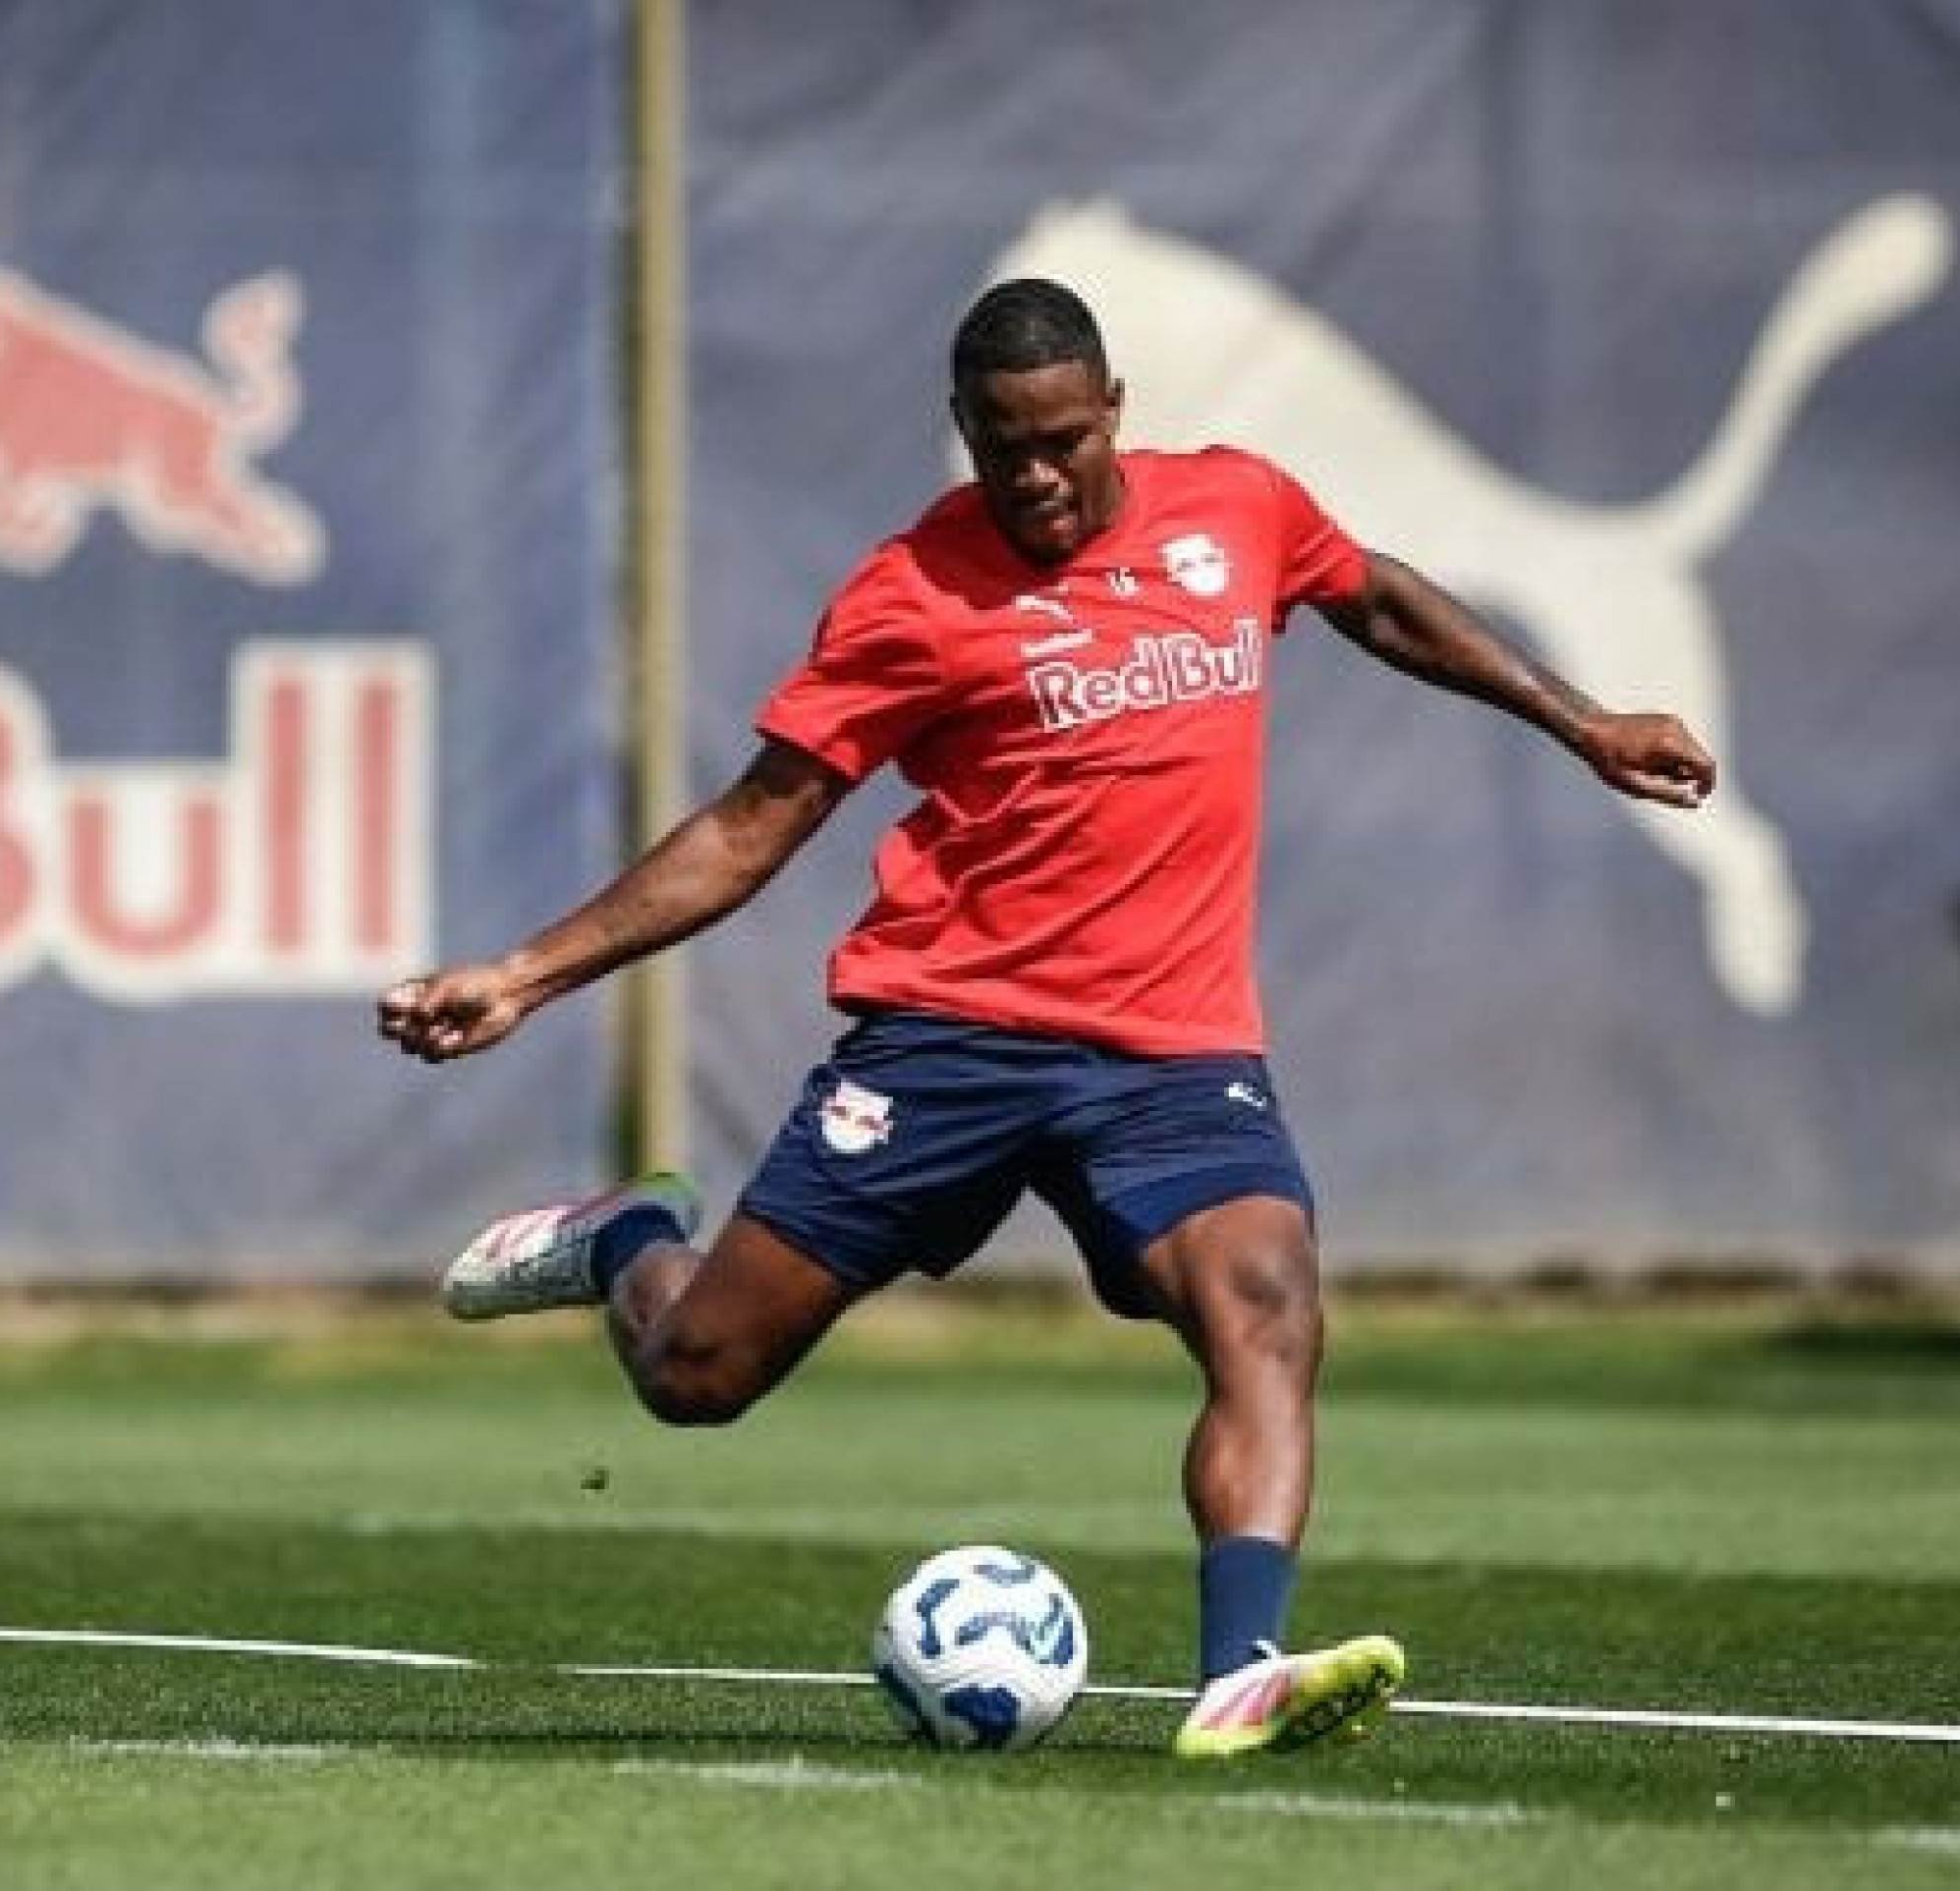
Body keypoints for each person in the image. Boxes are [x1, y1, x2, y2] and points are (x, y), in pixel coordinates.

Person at [374, 278, 1716, 1759]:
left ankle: (1239, 1671)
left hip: (1168, 1049)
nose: (1035, 475)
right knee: (698, 1376)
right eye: (1003, 445)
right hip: (947, 1036)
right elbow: (751, 827)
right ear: (961, 429)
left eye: (1063, 440)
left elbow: (1373, 594)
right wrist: (523, 971)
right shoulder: (908, 594)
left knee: (1265, 1303)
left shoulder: (1236, 513)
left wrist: (1580, 720)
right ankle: (630, 1235)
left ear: (1113, 412)